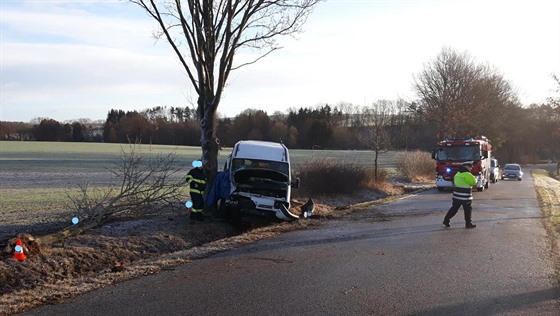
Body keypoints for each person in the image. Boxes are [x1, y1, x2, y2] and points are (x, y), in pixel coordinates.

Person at [443, 161, 477, 228]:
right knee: (467, 210)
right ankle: (468, 224)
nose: (471, 168)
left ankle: (446, 220)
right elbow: (474, 182)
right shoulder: (468, 175)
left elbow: (455, 182)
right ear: (466, 167)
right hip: (465, 197)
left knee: (454, 209)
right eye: (470, 167)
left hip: (456, 196)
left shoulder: (457, 174)